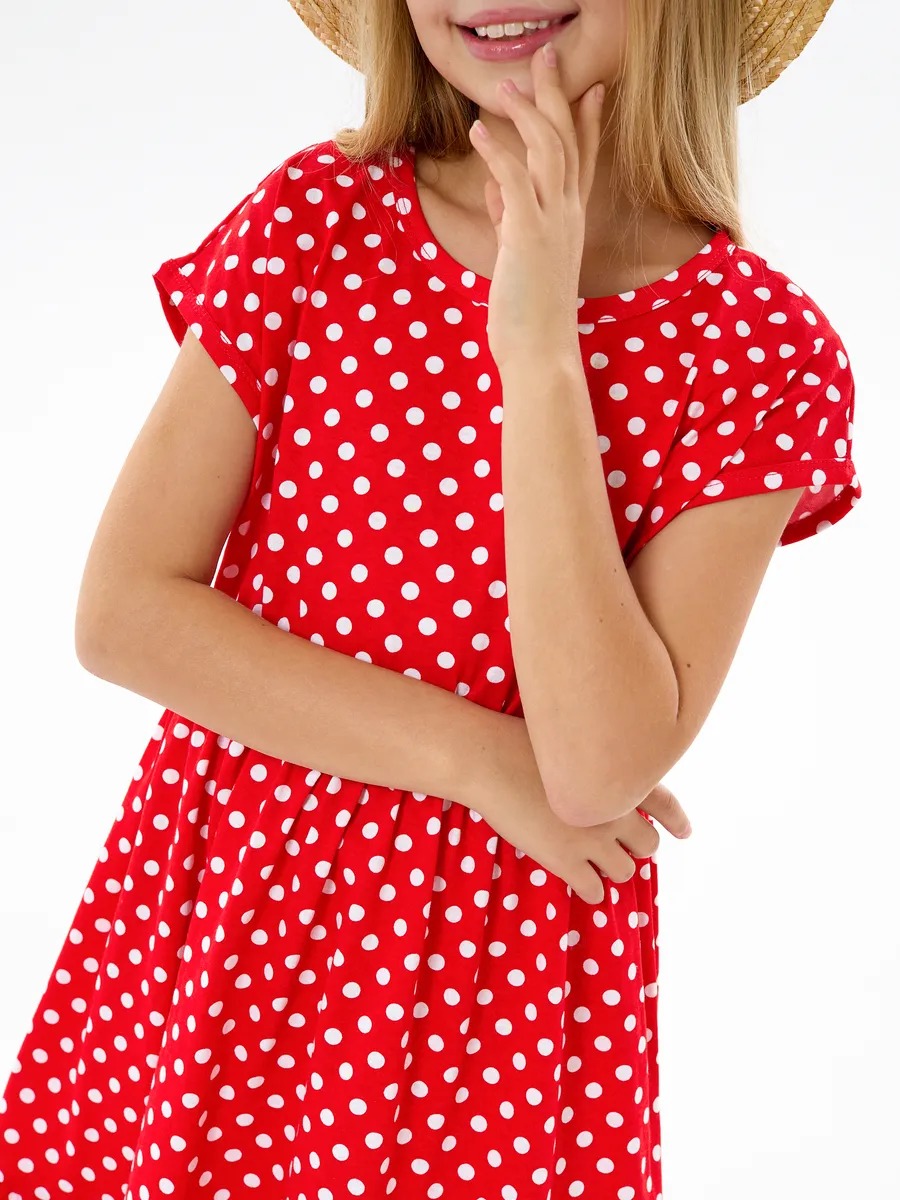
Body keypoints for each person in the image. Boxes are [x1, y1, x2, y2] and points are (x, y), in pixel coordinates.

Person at [0, 1, 862, 1196]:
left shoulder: (755, 352)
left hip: (494, 996)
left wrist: (540, 348)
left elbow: (595, 767)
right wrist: (481, 763)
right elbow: (124, 613)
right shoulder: (318, 222)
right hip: (234, 926)